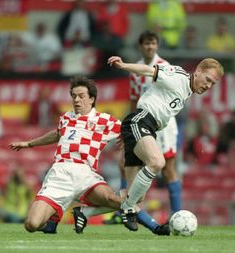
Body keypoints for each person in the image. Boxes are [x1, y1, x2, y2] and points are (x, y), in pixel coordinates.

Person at [9, 76, 169, 235]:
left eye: (81, 96)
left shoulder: (105, 121)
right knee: (31, 224)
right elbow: (57, 134)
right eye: (73, 96)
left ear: (92, 99)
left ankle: (155, 227)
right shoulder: (66, 118)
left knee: (120, 200)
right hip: (59, 174)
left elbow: (132, 129)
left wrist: (131, 143)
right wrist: (29, 144)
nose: (76, 100)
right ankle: (54, 218)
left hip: (86, 175)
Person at [107, 55, 224, 231]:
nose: (208, 86)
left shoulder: (187, 90)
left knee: (135, 195)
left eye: (212, 84)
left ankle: (86, 212)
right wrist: (123, 66)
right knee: (158, 162)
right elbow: (149, 70)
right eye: (207, 79)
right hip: (140, 120)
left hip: (148, 128)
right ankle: (127, 209)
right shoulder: (178, 76)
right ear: (198, 71)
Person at [129, 31, 182, 215]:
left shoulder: (165, 66)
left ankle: (176, 214)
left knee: (168, 170)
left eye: (153, 43)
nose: (150, 47)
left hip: (163, 125)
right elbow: (134, 98)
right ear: (140, 46)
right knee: (129, 166)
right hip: (142, 122)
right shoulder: (134, 69)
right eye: (146, 43)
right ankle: (129, 212)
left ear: (157, 46)